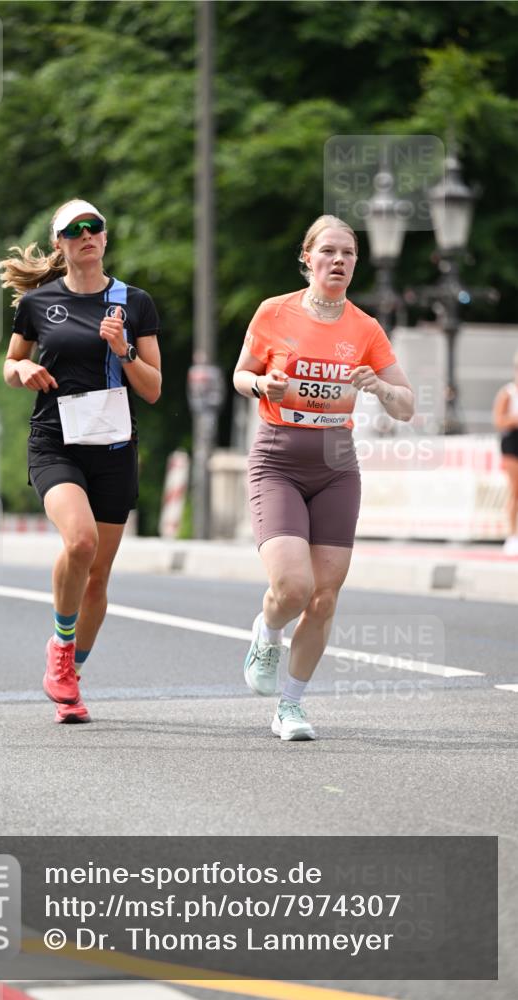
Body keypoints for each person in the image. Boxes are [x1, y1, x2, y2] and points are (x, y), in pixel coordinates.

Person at [233, 215, 414, 742]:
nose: (339, 261)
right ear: (307, 258)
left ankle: (290, 706)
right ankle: (267, 633)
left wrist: (378, 385)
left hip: (337, 466)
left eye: (349, 253)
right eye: (329, 251)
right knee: (292, 587)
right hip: (278, 460)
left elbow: (405, 406)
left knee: (326, 596)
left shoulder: (364, 328)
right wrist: (261, 383)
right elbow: (241, 372)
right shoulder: (274, 311)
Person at [0, 198, 161, 724]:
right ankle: (61, 647)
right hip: (56, 443)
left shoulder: (134, 303)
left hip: (114, 449)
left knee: (98, 577)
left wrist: (125, 351)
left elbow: (155, 390)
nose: (87, 235)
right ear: (60, 244)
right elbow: (12, 361)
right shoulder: (39, 304)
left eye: (95, 227)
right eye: (75, 230)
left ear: (105, 239)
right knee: (81, 541)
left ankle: (70, 672)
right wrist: (21, 372)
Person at [492, 349, 518, 555]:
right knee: (515, 490)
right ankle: (512, 534)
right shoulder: (508, 392)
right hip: (512, 443)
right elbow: (499, 421)